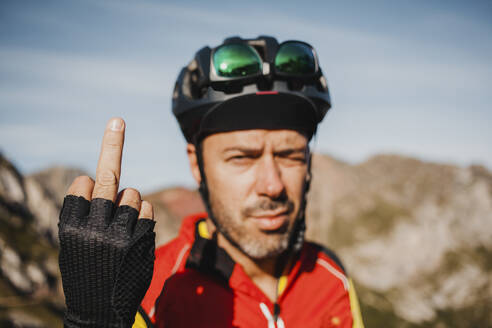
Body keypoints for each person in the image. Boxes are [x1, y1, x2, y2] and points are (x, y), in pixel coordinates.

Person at [58, 36, 364, 328]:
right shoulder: (152, 289)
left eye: (291, 155)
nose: (273, 186)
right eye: (242, 158)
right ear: (196, 164)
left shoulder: (330, 273)